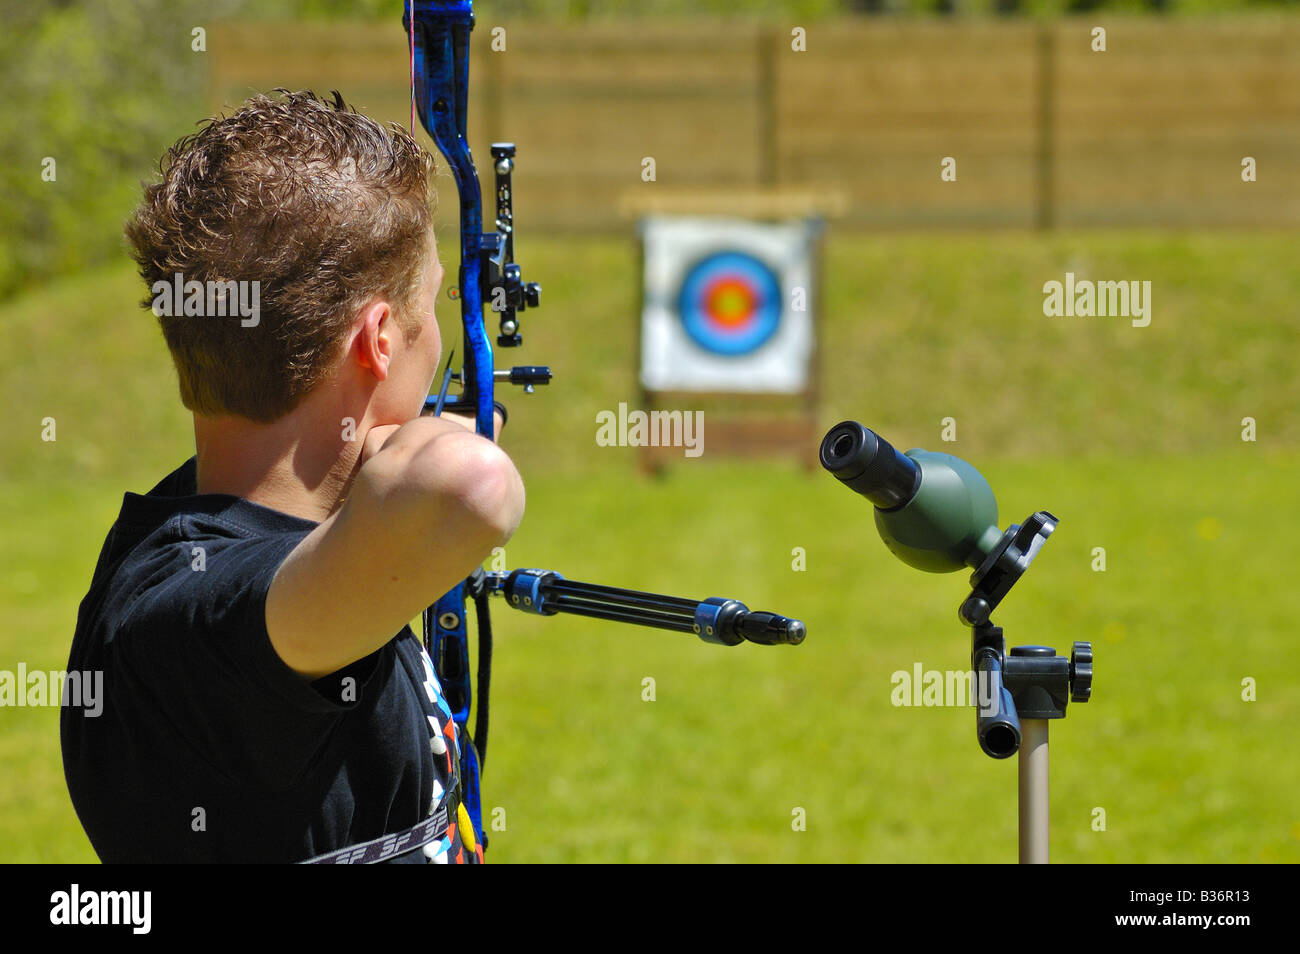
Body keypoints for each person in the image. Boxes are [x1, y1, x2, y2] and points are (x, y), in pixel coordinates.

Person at [60, 89, 523, 863]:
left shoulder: (213, 527)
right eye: (438, 299)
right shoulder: (196, 626)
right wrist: (410, 452)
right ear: (378, 339)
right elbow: (471, 486)